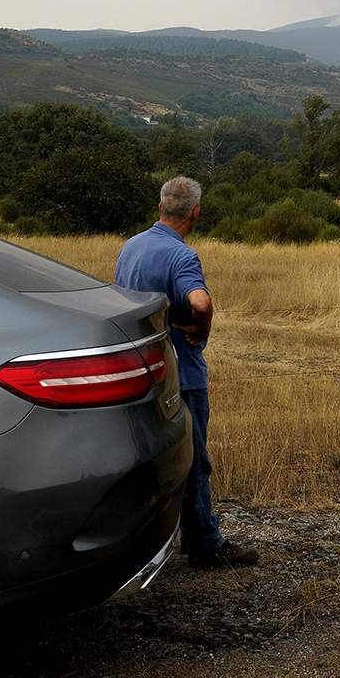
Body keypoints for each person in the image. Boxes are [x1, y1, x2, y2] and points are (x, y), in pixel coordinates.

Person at [115, 176, 258, 569]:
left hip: (141, 370)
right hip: (182, 375)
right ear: (195, 212)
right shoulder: (182, 256)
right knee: (193, 460)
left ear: (160, 206)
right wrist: (202, 327)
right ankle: (206, 545)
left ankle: (158, 540)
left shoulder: (131, 247)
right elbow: (200, 302)